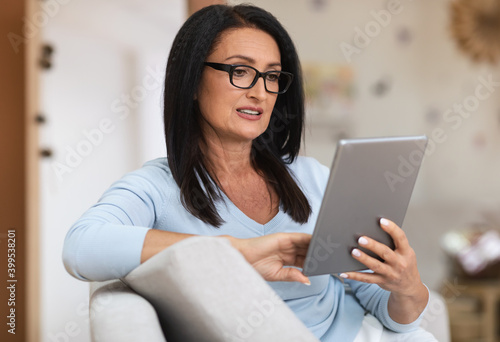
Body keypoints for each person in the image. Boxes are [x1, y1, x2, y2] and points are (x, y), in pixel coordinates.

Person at [63, 4, 436, 341]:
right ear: (192, 82)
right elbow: (81, 247)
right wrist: (235, 252)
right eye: (240, 71)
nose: (260, 92)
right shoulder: (155, 188)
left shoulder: (312, 177)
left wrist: (406, 285)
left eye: (271, 77)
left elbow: (395, 316)